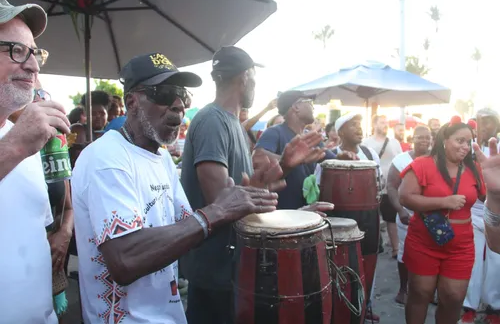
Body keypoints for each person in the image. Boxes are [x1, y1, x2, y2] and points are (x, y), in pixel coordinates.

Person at [71, 52, 281, 324]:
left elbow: (188, 230)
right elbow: (125, 260)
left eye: (183, 95)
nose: (179, 104)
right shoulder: (107, 158)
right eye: (165, 92)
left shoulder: (162, 160)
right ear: (132, 101)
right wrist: (215, 212)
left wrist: (246, 200)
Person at [180, 48, 319, 324]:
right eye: (254, 78)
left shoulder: (233, 123)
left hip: (230, 264)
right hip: (214, 267)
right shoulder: (212, 121)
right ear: (245, 77)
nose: (255, 85)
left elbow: (244, 192)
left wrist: (287, 166)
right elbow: (221, 203)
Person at [0, 0, 71, 323]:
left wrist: (63, 231)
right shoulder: (20, 141)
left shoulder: (27, 142)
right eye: (15, 51)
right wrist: (13, 146)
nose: (33, 66)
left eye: (34, 52)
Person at [400, 116, 486, 324]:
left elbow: (487, 198)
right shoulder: (422, 165)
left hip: (461, 245)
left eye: (468, 142)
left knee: (454, 298)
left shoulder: (474, 168)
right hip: (424, 241)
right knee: (420, 293)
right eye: (460, 140)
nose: (465, 147)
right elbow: (406, 197)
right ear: (444, 140)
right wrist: (444, 202)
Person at [255, 90, 355, 210]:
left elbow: (329, 158)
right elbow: (258, 156)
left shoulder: (310, 136)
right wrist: (289, 160)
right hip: (281, 213)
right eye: (309, 102)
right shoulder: (275, 132)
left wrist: (341, 157)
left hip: (304, 210)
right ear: (296, 107)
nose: (313, 106)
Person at [332, 112, 381, 322]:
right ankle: (342, 309)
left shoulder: (370, 153)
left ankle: (365, 306)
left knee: (369, 259)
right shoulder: (329, 155)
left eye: (360, 124)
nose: (359, 129)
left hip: (369, 217)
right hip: (340, 216)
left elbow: (380, 182)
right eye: (353, 125)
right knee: (342, 264)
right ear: (341, 131)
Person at [460, 108, 500, 324]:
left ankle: (494, 307)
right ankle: (469, 307)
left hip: (497, 210)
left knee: (497, 260)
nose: (485, 126)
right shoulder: (466, 147)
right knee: (472, 261)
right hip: (472, 210)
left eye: (490, 122)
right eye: (481, 122)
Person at [386, 126, 431, 305]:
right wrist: (400, 210)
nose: (424, 141)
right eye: (420, 137)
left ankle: (427, 290)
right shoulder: (401, 159)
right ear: (413, 138)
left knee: (430, 253)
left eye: (427, 138)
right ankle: (404, 289)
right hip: (407, 216)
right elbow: (391, 186)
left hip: (431, 216)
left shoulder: (435, 159)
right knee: (405, 252)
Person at [363, 114, 402, 259]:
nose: (385, 125)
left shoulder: (394, 142)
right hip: (371, 186)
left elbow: (400, 161)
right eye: (381, 122)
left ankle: (396, 248)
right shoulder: (366, 142)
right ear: (374, 124)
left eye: (386, 122)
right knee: (373, 217)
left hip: (391, 186)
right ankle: (373, 244)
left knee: (391, 217)